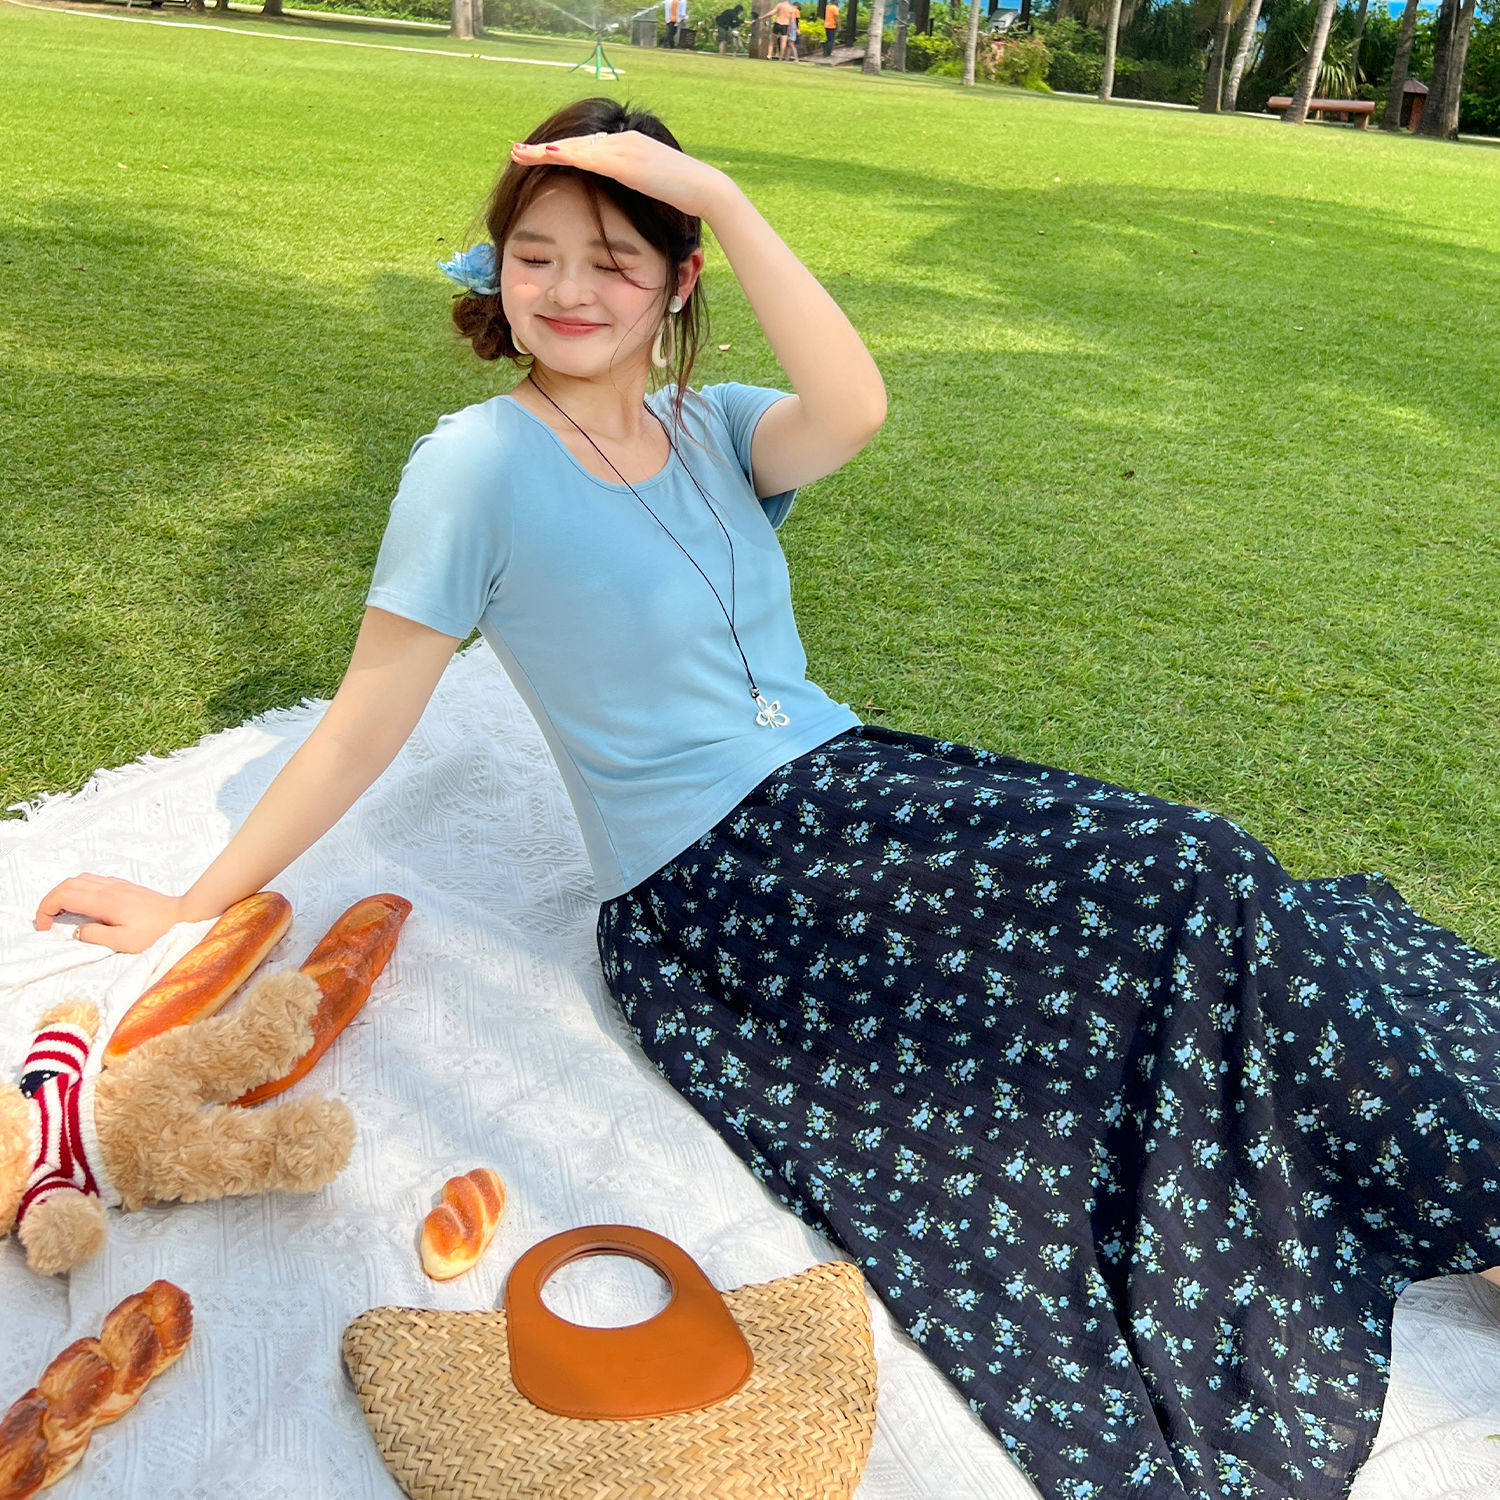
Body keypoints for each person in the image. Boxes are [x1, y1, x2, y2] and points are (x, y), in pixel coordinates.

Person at [30, 96, 1500, 1500]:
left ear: (680, 281)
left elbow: (854, 403)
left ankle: (1434, 1178)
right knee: (1184, 895)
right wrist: (190, 900)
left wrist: (722, 199)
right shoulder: (471, 467)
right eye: (535, 255)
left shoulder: (716, 424)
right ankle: (1456, 1191)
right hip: (725, 883)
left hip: (856, 785)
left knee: (1196, 887)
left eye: (615, 258)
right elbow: (362, 725)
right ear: (500, 274)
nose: (568, 290)